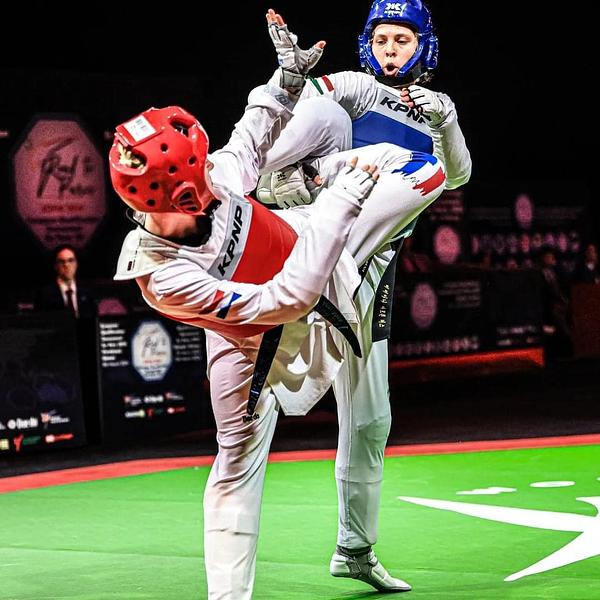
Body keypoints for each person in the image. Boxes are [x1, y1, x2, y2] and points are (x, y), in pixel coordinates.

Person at [110, 9, 446, 599]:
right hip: (258, 333)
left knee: (424, 171)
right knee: (236, 463)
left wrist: (286, 80)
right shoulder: (163, 276)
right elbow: (285, 299)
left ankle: (355, 547)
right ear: (178, 195)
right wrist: (341, 203)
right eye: (199, 176)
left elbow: (249, 135)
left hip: (306, 239)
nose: (211, 177)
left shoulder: (213, 178)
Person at [256, 0, 471, 592]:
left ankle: (355, 549)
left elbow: (458, 175)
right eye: (381, 40)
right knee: (257, 404)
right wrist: (286, 81)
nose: (390, 50)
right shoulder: (354, 85)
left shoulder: (436, 110)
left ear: (424, 45)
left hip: (371, 272)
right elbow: (302, 109)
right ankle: (262, 192)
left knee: (372, 420)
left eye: (402, 40)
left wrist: (446, 121)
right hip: (313, 239)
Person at [34, 244, 96, 319]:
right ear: (55, 266)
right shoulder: (44, 295)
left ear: (76, 264)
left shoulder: (87, 293)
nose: (66, 265)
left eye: (70, 260)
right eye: (61, 261)